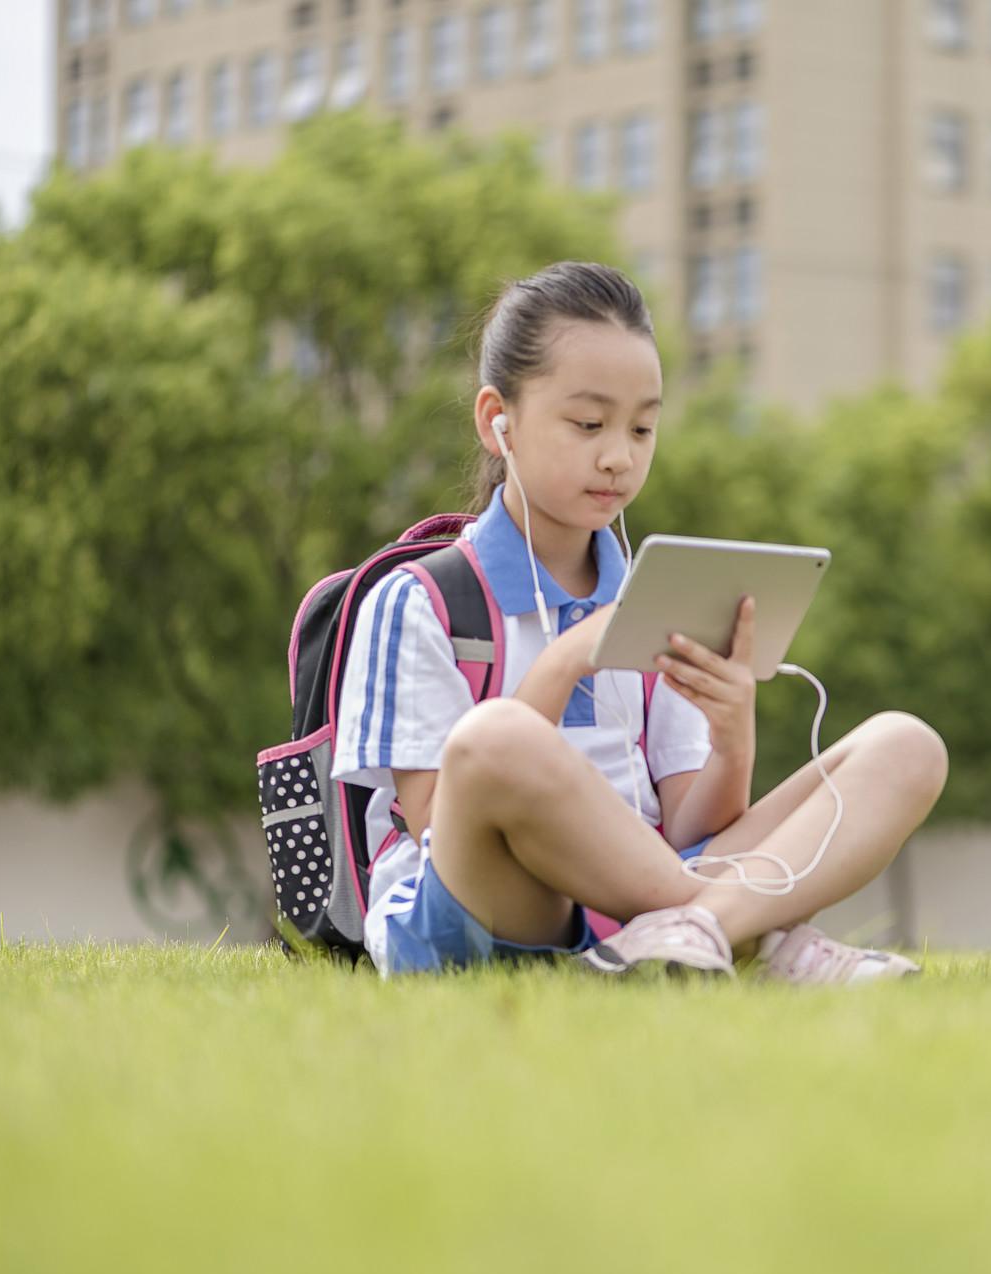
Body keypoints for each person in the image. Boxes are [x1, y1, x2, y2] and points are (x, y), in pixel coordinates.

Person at [330, 261, 948, 983]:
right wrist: (565, 662)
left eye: (643, 426)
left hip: (635, 902)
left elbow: (688, 826)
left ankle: (697, 929)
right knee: (494, 737)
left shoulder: (656, 594)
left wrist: (733, 734)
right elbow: (441, 819)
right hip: (482, 909)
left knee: (907, 746)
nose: (619, 456)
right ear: (498, 420)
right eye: (588, 423)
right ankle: (754, 932)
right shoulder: (422, 599)